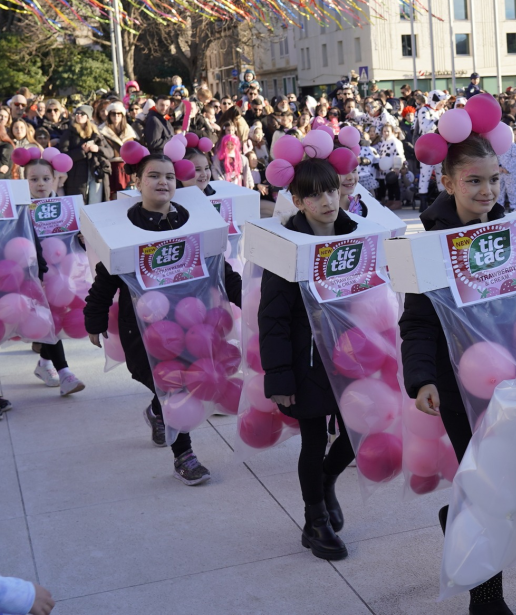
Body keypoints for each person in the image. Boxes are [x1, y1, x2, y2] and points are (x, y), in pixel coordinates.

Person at [399, 136, 514, 615]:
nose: (486, 190)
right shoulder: (427, 245)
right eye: (473, 181)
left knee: (507, 479)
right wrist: (423, 378)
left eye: (494, 179)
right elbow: (418, 322)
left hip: (511, 377)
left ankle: (458, 512)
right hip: (457, 383)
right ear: (447, 183)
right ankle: (486, 597)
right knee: (485, 483)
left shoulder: (510, 230)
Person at [83, 154, 242, 485]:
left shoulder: (191, 221)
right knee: (165, 382)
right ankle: (172, 431)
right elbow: (104, 281)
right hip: (145, 330)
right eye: (153, 175)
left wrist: (248, 303)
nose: (162, 182)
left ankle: (174, 439)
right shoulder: (126, 228)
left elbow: (220, 270)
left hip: (193, 321)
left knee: (181, 383)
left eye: (169, 176)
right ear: (137, 182)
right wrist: (94, 320)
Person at [259, 158, 358, 561]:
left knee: (357, 432)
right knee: (314, 440)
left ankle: (326, 479)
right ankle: (315, 519)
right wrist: (280, 378)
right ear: (298, 201)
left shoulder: (357, 235)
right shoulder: (287, 248)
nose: (327, 200)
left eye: (332, 190)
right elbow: (273, 319)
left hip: (351, 359)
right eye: (315, 194)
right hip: (307, 364)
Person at [26, 158, 86, 395]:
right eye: (34, 179)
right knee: (46, 319)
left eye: (45, 178)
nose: (40, 184)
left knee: (55, 320)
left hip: (62, 277)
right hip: (34, 275)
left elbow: (79, 238)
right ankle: (65, 373)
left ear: (55, 179)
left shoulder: (67, 207)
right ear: (25, 181)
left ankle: (44, 364)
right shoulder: (21, 210)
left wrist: (82, 238)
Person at [60, 105, 113, 204]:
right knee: (80, 206)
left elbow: (110, 152)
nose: (79, 115)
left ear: (88, 117)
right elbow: (63, 155)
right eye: (77, 113)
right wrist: (82, 151)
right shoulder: (69, 133)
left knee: (95, 204)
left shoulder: (96, 133)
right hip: (76, 176)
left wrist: (97, 149)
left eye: (82, 114)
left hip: (96, 173)